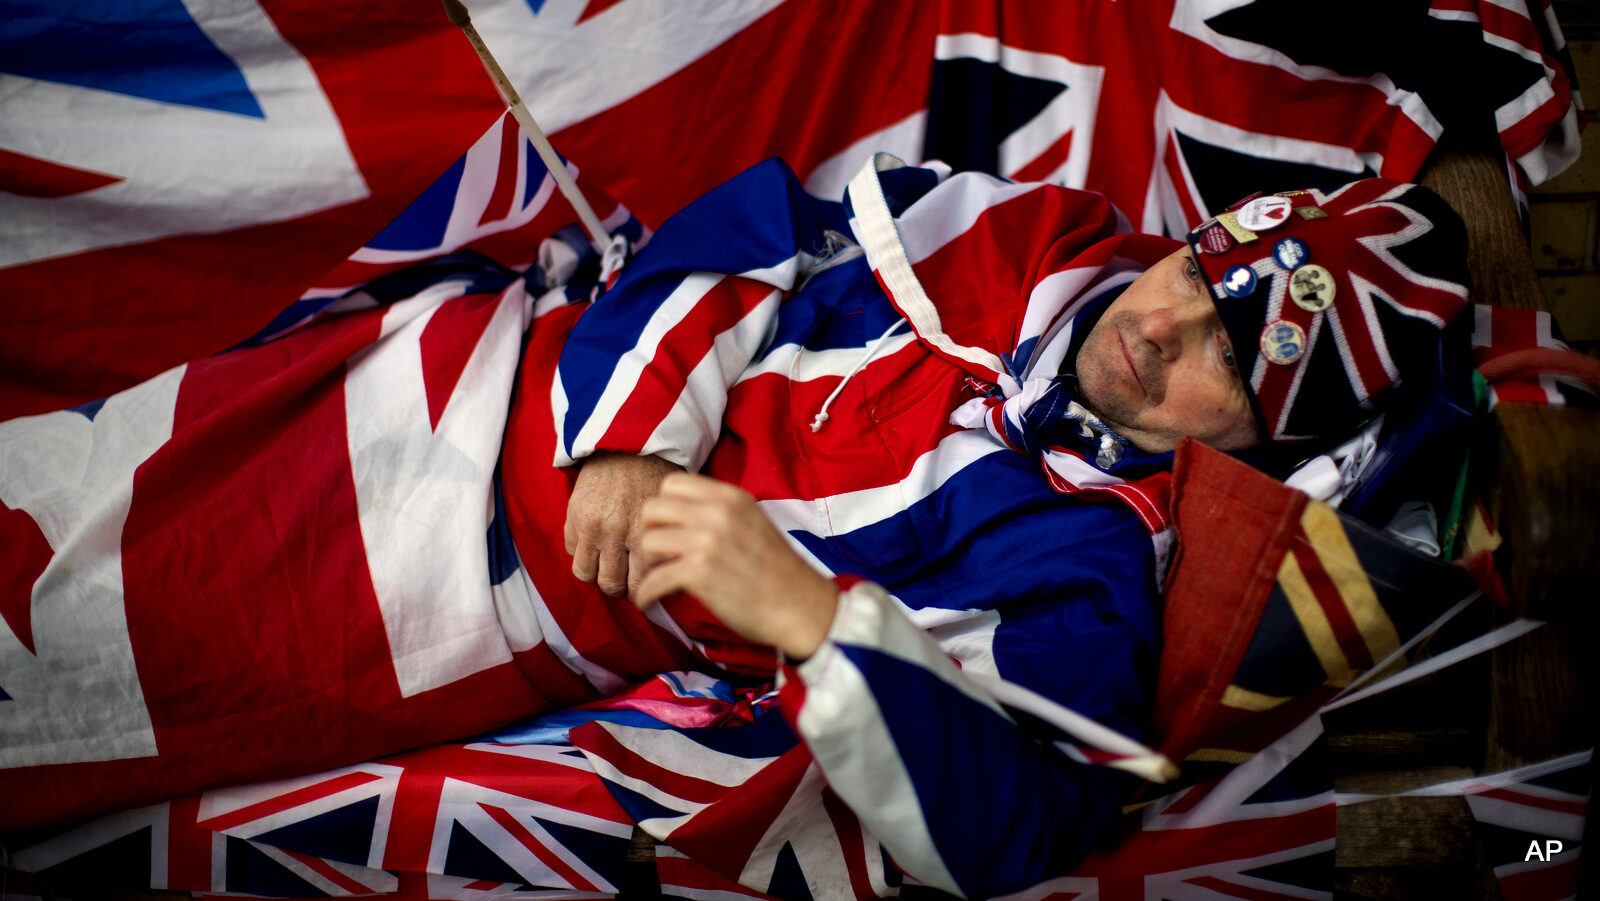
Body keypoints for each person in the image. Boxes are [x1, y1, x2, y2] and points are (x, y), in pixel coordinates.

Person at [516, 154, 1472, 896]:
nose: (1157, 327)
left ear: (1265, 442)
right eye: (1193, 271)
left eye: (1223, 353)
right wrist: (628, 439)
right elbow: (766, 222)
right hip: (500, 373)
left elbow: (1018, 820)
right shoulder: (1033, 235)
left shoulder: (1095, 568)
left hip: (528, 612)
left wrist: (819, 625)